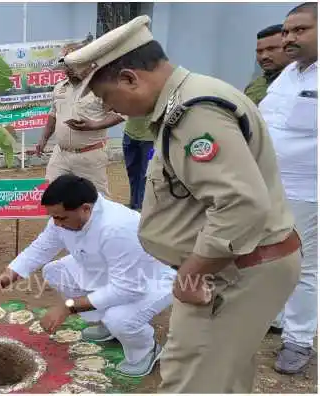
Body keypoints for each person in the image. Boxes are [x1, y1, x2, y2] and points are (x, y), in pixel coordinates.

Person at [63, 15, 302, 393]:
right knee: (221, 375)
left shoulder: (193, 113)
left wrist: (193, 272)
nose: (116, 110)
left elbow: (240, 205)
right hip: (230, 264)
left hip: (235, 270)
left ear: (129, 78)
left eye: (109, 98)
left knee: (192, 379)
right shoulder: (184, 101)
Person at [0, 175, 176, 377]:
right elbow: (39, 249)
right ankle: (107, 327)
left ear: (86, 208)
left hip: (151, 280)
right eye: (53, 217)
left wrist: (67, 307)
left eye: (60, 218)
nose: (56, 223)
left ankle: (145, 350)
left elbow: (127, 288)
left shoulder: (117, 228)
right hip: (109, 271)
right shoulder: (64, 217)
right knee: (55, 270)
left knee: (119, 319)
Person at [258, 2, 317, 375]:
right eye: (287, 31)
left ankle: (299, 340)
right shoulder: (289, 75)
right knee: (273, 258)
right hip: (270, 186)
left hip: (309, 192)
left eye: (300, 30)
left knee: (305, 267)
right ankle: (278, 316)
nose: (289, 38)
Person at [36, 40, 124, 194]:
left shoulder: (101, 87)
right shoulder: (59, 88)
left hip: (89, 156)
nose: (68, 69)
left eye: (73, 64)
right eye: (66, 64)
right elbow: (53, 114)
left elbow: (121, 113)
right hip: (60, 155)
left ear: (86, 62)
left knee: (96, 201)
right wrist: (43, 139)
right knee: (52, 195)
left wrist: (95, 125)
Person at [244, 24, 292, 105]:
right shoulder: (253, 86)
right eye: (260, 51)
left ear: (289, 48)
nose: (264, 56)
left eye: (271, 49)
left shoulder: (306, 81)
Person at [121, 117, 154, 211]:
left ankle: (141, 207)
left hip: (150, 138)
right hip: (129, 135)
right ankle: (134, 205)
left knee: (146, 174)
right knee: (131, 172)